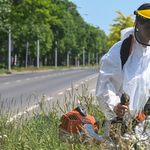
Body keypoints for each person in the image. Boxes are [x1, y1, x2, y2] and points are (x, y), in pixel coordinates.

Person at [96, 3, 150, 139]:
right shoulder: (120, 51)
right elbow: (105, 87)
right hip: (121, 131)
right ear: (137, 23)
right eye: (148, 27)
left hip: (146, 131)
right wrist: (115, 106)